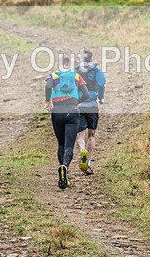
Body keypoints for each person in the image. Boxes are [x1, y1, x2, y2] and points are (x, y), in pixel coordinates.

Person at [45, 53, 90, 189]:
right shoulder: (76, 76)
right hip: (73, 111)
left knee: (61, 144)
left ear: (59, 64)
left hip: (58, 111)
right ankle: (65, 166)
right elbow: (87, 94)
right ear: (70, 64)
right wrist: (77, 102)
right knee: (70, 145)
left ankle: (62, 170)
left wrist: (48, 101)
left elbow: (48, 86)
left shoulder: (54, 75)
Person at [76, 50, 106, 175]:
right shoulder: (96, 71)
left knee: (80, 135)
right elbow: (101, 84)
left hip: (79, 104)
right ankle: (87, 161)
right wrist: (101, 97)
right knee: (91, 135)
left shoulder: (76, 70)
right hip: (92, 105)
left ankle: (82, 149)